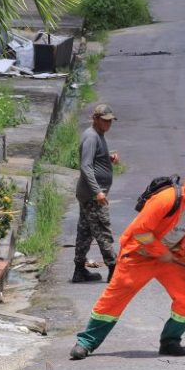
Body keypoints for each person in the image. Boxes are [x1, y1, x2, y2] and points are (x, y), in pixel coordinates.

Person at [69, 172, 185, 360]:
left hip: (172, 255)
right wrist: (161, 252)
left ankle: (170, 341)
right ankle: (86, 342)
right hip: (139, 254)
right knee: (117, 294)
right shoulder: (166, 199)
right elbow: (140, 232)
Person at [72, 103, 120, 284]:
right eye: (105, 121)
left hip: (88, 194)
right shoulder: (91, 137)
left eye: (110, 121)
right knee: (102, 229)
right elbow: (86, 165)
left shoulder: (98, 135)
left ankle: (79, 270)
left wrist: (108, 158)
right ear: (96, 119)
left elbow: (94, 159)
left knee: (85, 231)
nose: (109, 124)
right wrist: (97, 191)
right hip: (92, 196)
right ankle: (114, 268)